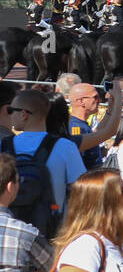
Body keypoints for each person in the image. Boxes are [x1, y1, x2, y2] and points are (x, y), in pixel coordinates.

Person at [3, 89, 86, 220]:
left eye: (11, 110)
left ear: (24, 114)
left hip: (7, 227)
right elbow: (82, 189)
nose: (10, 114)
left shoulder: (3, 146)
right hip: (51, 229)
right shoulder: (65, 146)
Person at [67, 80, 123, 170]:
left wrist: (110, 110)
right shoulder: (75, 127)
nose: (99, 100)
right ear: (81, 101)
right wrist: (119, 99)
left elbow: (94, 134)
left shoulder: (79, 123)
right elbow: (111, 131)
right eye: (95, 97)